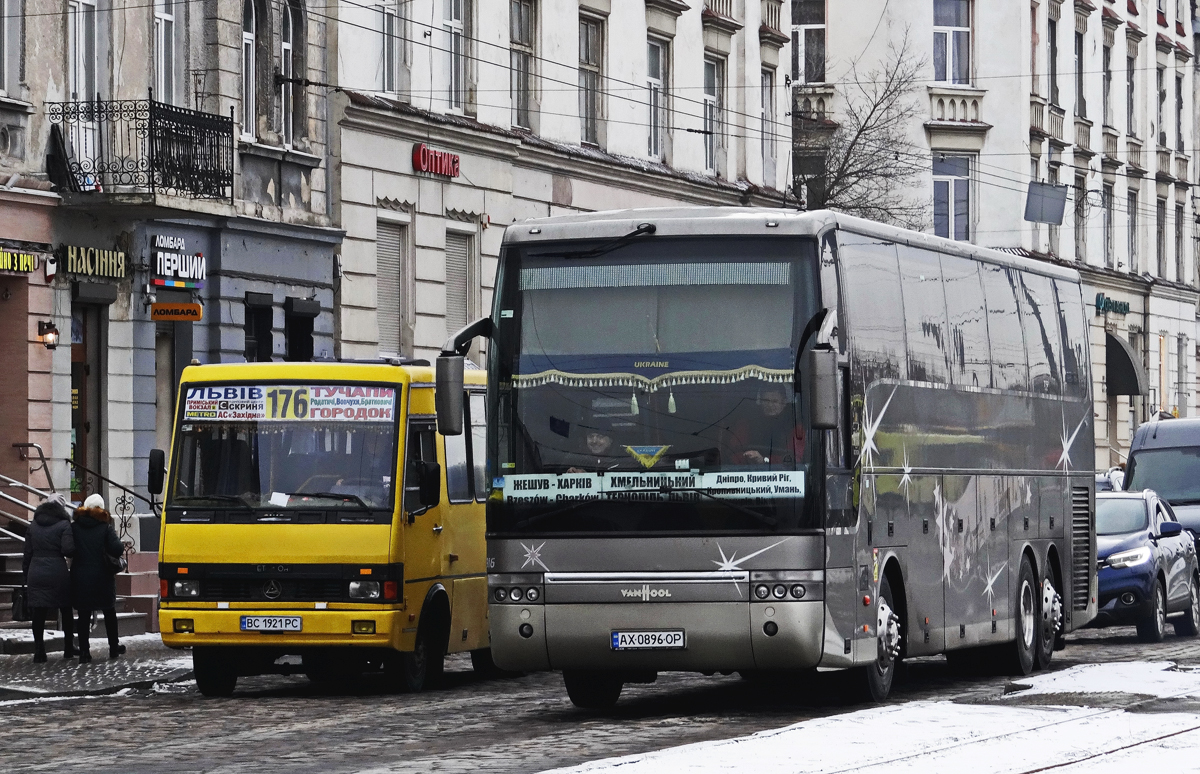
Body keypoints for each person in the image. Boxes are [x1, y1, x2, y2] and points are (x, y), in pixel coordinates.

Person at [70, 493, 126, 662]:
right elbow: (117, 549)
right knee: (109, 611)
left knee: (83, 614)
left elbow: (69, 548)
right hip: (103, 576)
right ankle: (113, 648)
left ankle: (85, 652)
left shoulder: (75, 527)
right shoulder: (105, 527)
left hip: (80, 576)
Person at [22, 496, 76, 663]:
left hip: (36, 571)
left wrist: (26, 574)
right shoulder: (64, 524)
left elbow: (27, 553)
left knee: (39, 612)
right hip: (57, 572)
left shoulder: (33, 525)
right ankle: (68, 648)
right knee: (66, 609)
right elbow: (68, 550)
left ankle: (39, 651)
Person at [724, 386, 806, 466]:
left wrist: (765, 460)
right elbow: (733, 452)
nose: (770, 405)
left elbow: (796, 458)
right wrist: (748, 459)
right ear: (760, 402)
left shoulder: (794, 426)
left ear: (784, 402)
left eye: (774, 401)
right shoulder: (746, 424)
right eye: (766, 400)